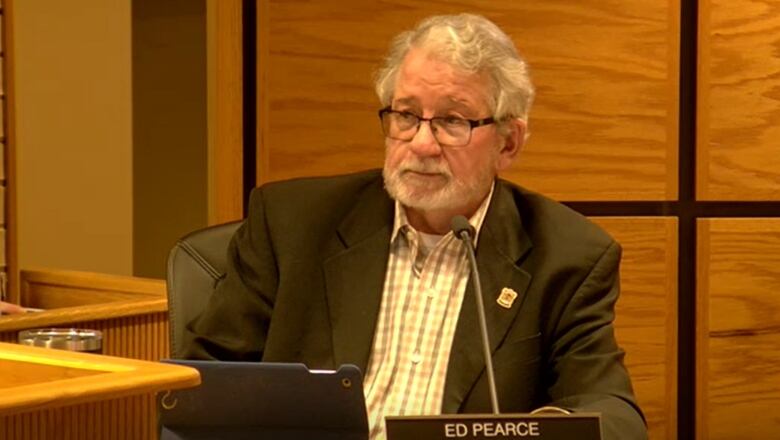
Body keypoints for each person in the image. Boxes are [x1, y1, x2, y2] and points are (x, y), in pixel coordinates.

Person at [183, 13, 647, 440]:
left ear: (508, 143)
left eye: (452, 120)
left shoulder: (567, 256)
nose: (422, 144)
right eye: (405, 115)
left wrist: (533, 431)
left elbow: (615, 412)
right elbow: (202, 379)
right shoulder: (292, 223)